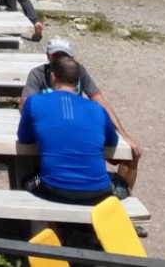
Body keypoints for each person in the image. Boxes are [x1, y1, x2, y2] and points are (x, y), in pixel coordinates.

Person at [21, 37, 143, 191]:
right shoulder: (38, 74)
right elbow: (24, 104)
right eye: (55, 57)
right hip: (56, 131)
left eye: (64, 57)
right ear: (48, 57)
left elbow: (101, 101)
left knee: (131, 155)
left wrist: (124, 135)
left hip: (76, 128)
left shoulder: (78, 72)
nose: (59, 61)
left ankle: (118, 205)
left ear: (71, 60)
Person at [16, 52, 126, 205]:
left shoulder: (34, 102)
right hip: (97, 192)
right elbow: (112, 142)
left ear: (53, 77)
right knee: (122, 184)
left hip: (52, 189)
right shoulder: (97, 109)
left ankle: (31, 220)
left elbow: (24, 138)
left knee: (27, 176)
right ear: (78, 81)